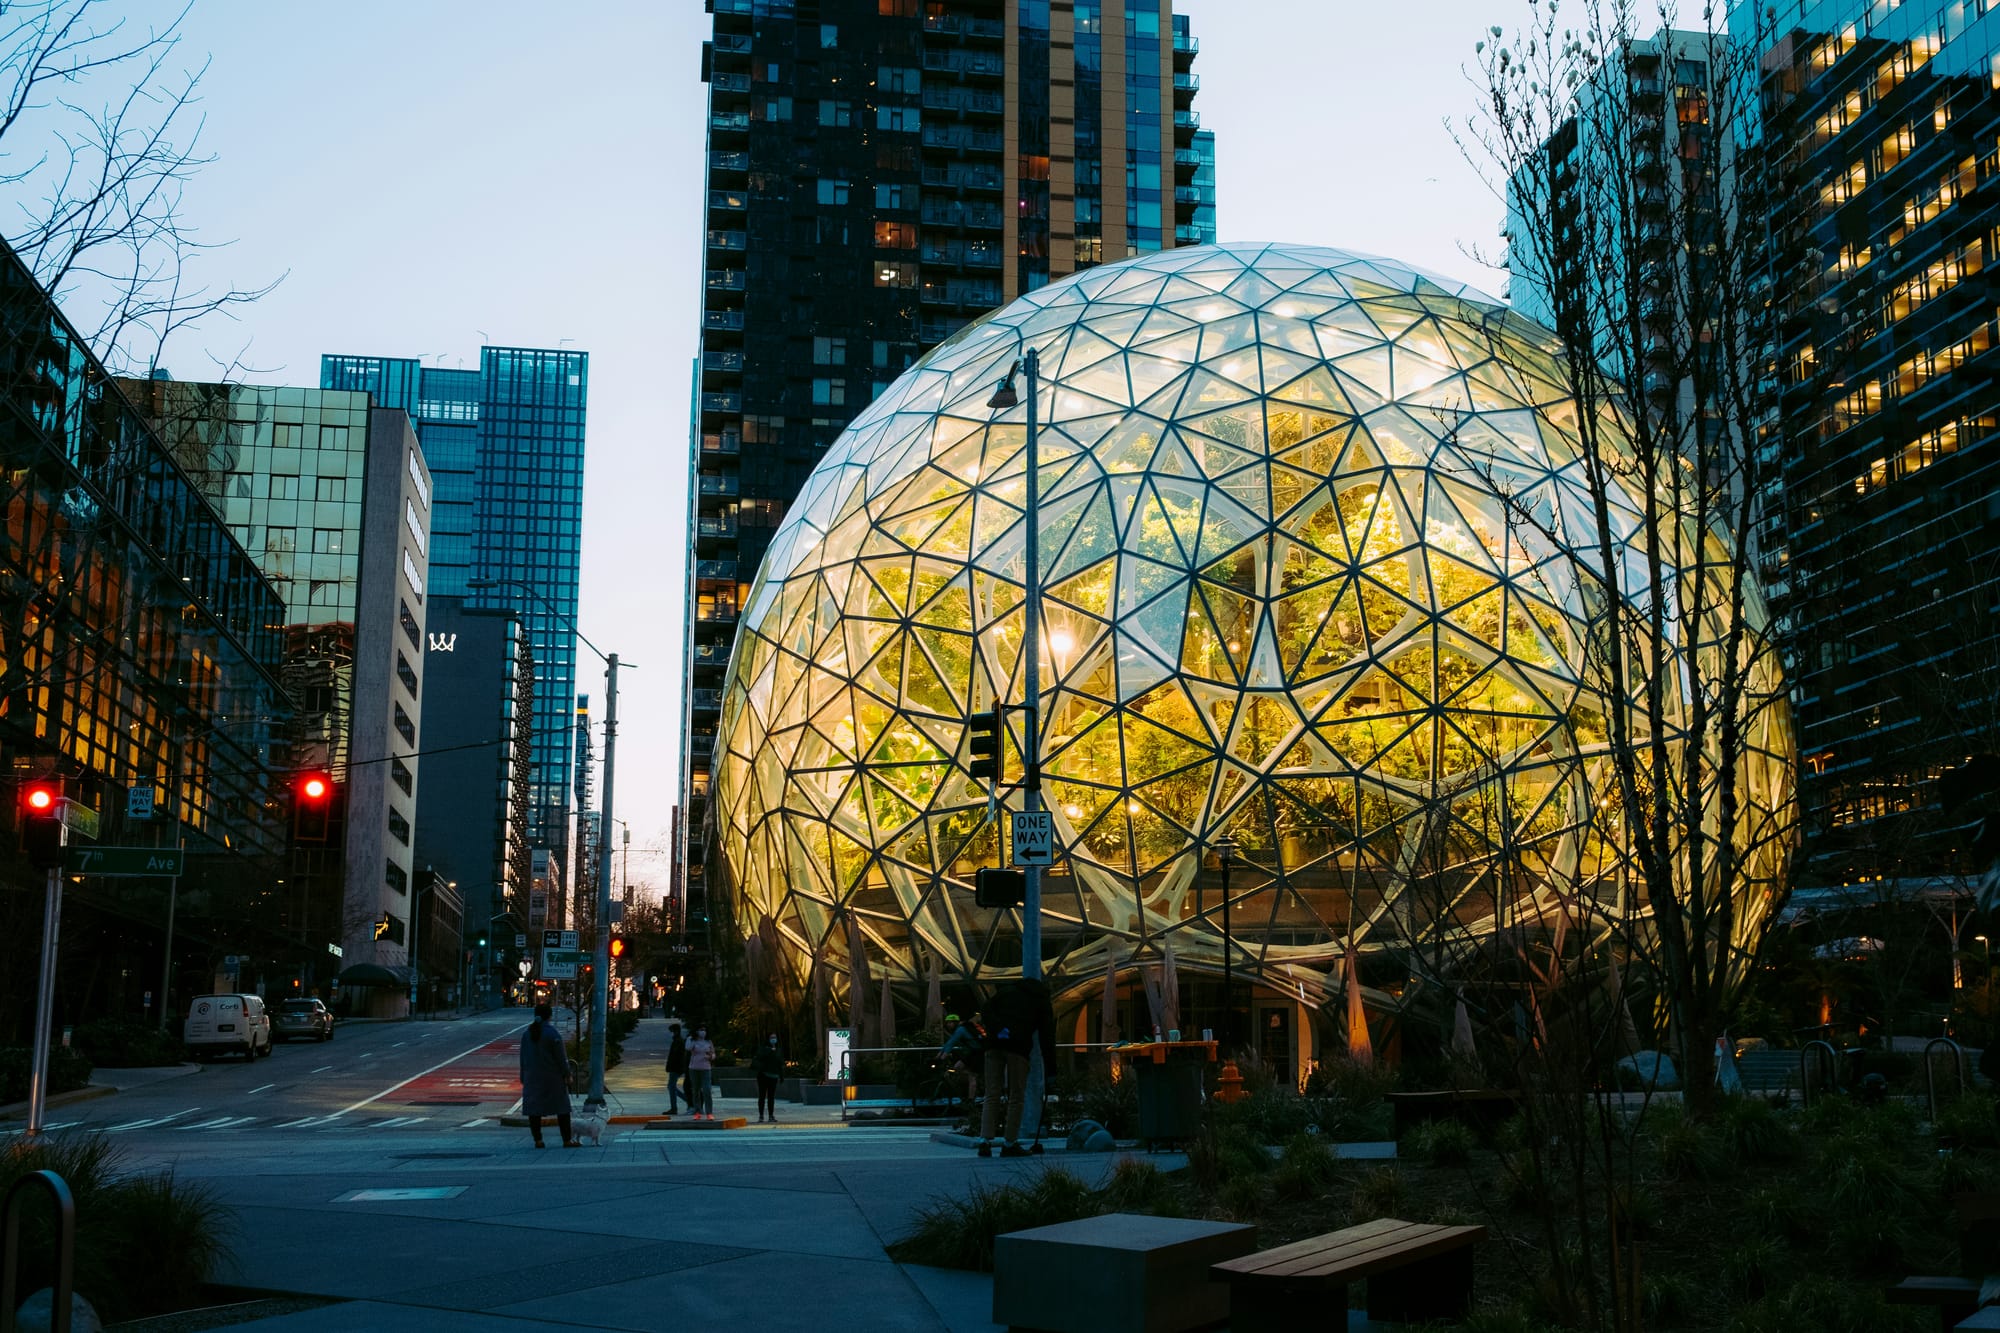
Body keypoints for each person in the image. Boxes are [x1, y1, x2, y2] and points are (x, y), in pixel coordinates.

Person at [978, 978, 1056, 1158]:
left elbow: (986, 1009)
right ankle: (1009, 1143)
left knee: (992, 1093)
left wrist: (999, 1029)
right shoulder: (1041, 1001)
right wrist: (1051, 1071)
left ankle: (985, 1140)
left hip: (993, 1045)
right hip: (1018, 1049)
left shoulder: (1007, 991)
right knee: (1017, 1095)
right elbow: (1047, 1037)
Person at [519, 1001, 577, 1148]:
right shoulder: (552, 1034)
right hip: (552, 1078)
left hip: (532, 1077)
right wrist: (567, 1073)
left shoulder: (527, 1034)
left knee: (535, 1110)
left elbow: (522, 1057)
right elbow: (561, 1057)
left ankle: (538, 1140)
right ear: (549, 1016)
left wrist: (523, 1075)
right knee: (562, 1109)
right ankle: (566, 1139)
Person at [938, 1012, 984, 1103]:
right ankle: (971, 1083)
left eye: (949, 1023)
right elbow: (949, 1043)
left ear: (954, 1022)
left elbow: (952, 1043)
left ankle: (971, 1101)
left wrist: (942, 1057)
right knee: (956, 1068)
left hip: (978, 1053)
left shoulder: (961, 1030)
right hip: (972, 1053)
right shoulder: (960, 1029)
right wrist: (939, 1054)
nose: (947, 1025)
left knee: (972, 1076)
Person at [686, 1024, 717, 1120]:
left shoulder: (708, 1042)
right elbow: (688, 1048)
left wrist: (710, 1057)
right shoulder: (691, 1040)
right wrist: (691, 1038)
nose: (703, 1032)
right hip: (694, 1068)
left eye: (704, 1030)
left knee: (707, 1090)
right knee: (696, 1090)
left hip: (706, 1068)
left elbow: (713, 1054)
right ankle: (697, 1111)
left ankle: (709, 1112)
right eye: (700, 1030)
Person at [751, 1033, 784, 1122]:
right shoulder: (763, 1048)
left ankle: (771, 1115)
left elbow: (780, 1063)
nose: (773, 1039)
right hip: (763, 1075)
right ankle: (761, 1115)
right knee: (762, 1096)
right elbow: (759, 1057)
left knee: (771, 1097)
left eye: (775, 1037)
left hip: (774, 1076)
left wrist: (781, 1076)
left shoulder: (778, 1049)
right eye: (771, 1037)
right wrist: (769, 1050)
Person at [665, 1021, 689, 1114]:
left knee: (671, 1087)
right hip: (675, 1067)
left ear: (676, 1031)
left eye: (672, 1031)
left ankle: (675, 1107)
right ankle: (686, 1101)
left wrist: (674, 1067)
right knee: (671, 1086)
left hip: (676, 1068)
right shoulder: (677, 1041)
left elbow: (676, 1056)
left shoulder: (679, 1041)